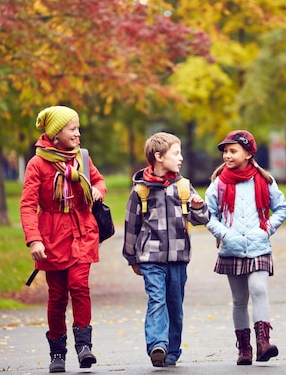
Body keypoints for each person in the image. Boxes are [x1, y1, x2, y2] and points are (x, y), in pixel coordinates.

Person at [20, 105, 107, 373]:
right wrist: (34, 240)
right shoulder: (37, 164)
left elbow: (100, 181)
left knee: (80, 286)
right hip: (52, 237)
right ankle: (57, 352)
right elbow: (27, 205)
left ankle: (84, 347)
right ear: (56, 134)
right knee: (57, 297)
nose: (78, 134)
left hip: (82, 231)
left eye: (78, 129)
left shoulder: (82, 157)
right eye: (73, 129)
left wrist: (97, 190)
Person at [122, 132, 210, 367]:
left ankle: (171, 351)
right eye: (176, 153)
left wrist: (199, 208)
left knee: (175, 305)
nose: (180, 158)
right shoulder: (141, 190)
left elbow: (202, 218)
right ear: (158, 157)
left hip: (179, 257)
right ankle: (157, 345)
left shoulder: (183, 187)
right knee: (157, 300)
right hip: (151, 256)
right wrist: (132, 258)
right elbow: (131, 225)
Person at [205, 130, 286, 365]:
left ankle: (264, 343)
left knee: (259, 290)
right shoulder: (219, 184)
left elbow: (282, 208)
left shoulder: (264, 180)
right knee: (239, 300)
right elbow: (207, 215)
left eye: (233, 151)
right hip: (231, 248)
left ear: (248, 153)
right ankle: (244, 349)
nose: (227, 156)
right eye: (225, 151)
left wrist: (267, 229)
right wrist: (224, 233)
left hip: (259, 246)